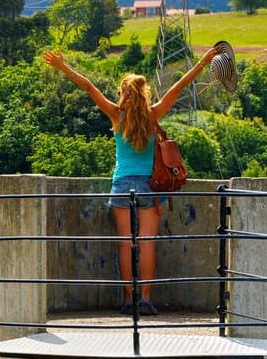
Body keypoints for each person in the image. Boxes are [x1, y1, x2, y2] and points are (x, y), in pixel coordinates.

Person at [42, 46, 219, 314]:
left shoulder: (116, 115)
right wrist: (203, 62)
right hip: (150, 185)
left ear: (123, 94)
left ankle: (128, 300)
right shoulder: (154, 114)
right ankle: (146, 299)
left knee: (126, 242)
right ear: (144, 94)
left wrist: (62, 67)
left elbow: (89, 87)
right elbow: (180, 85)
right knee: (147, 243)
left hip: (122, 184)